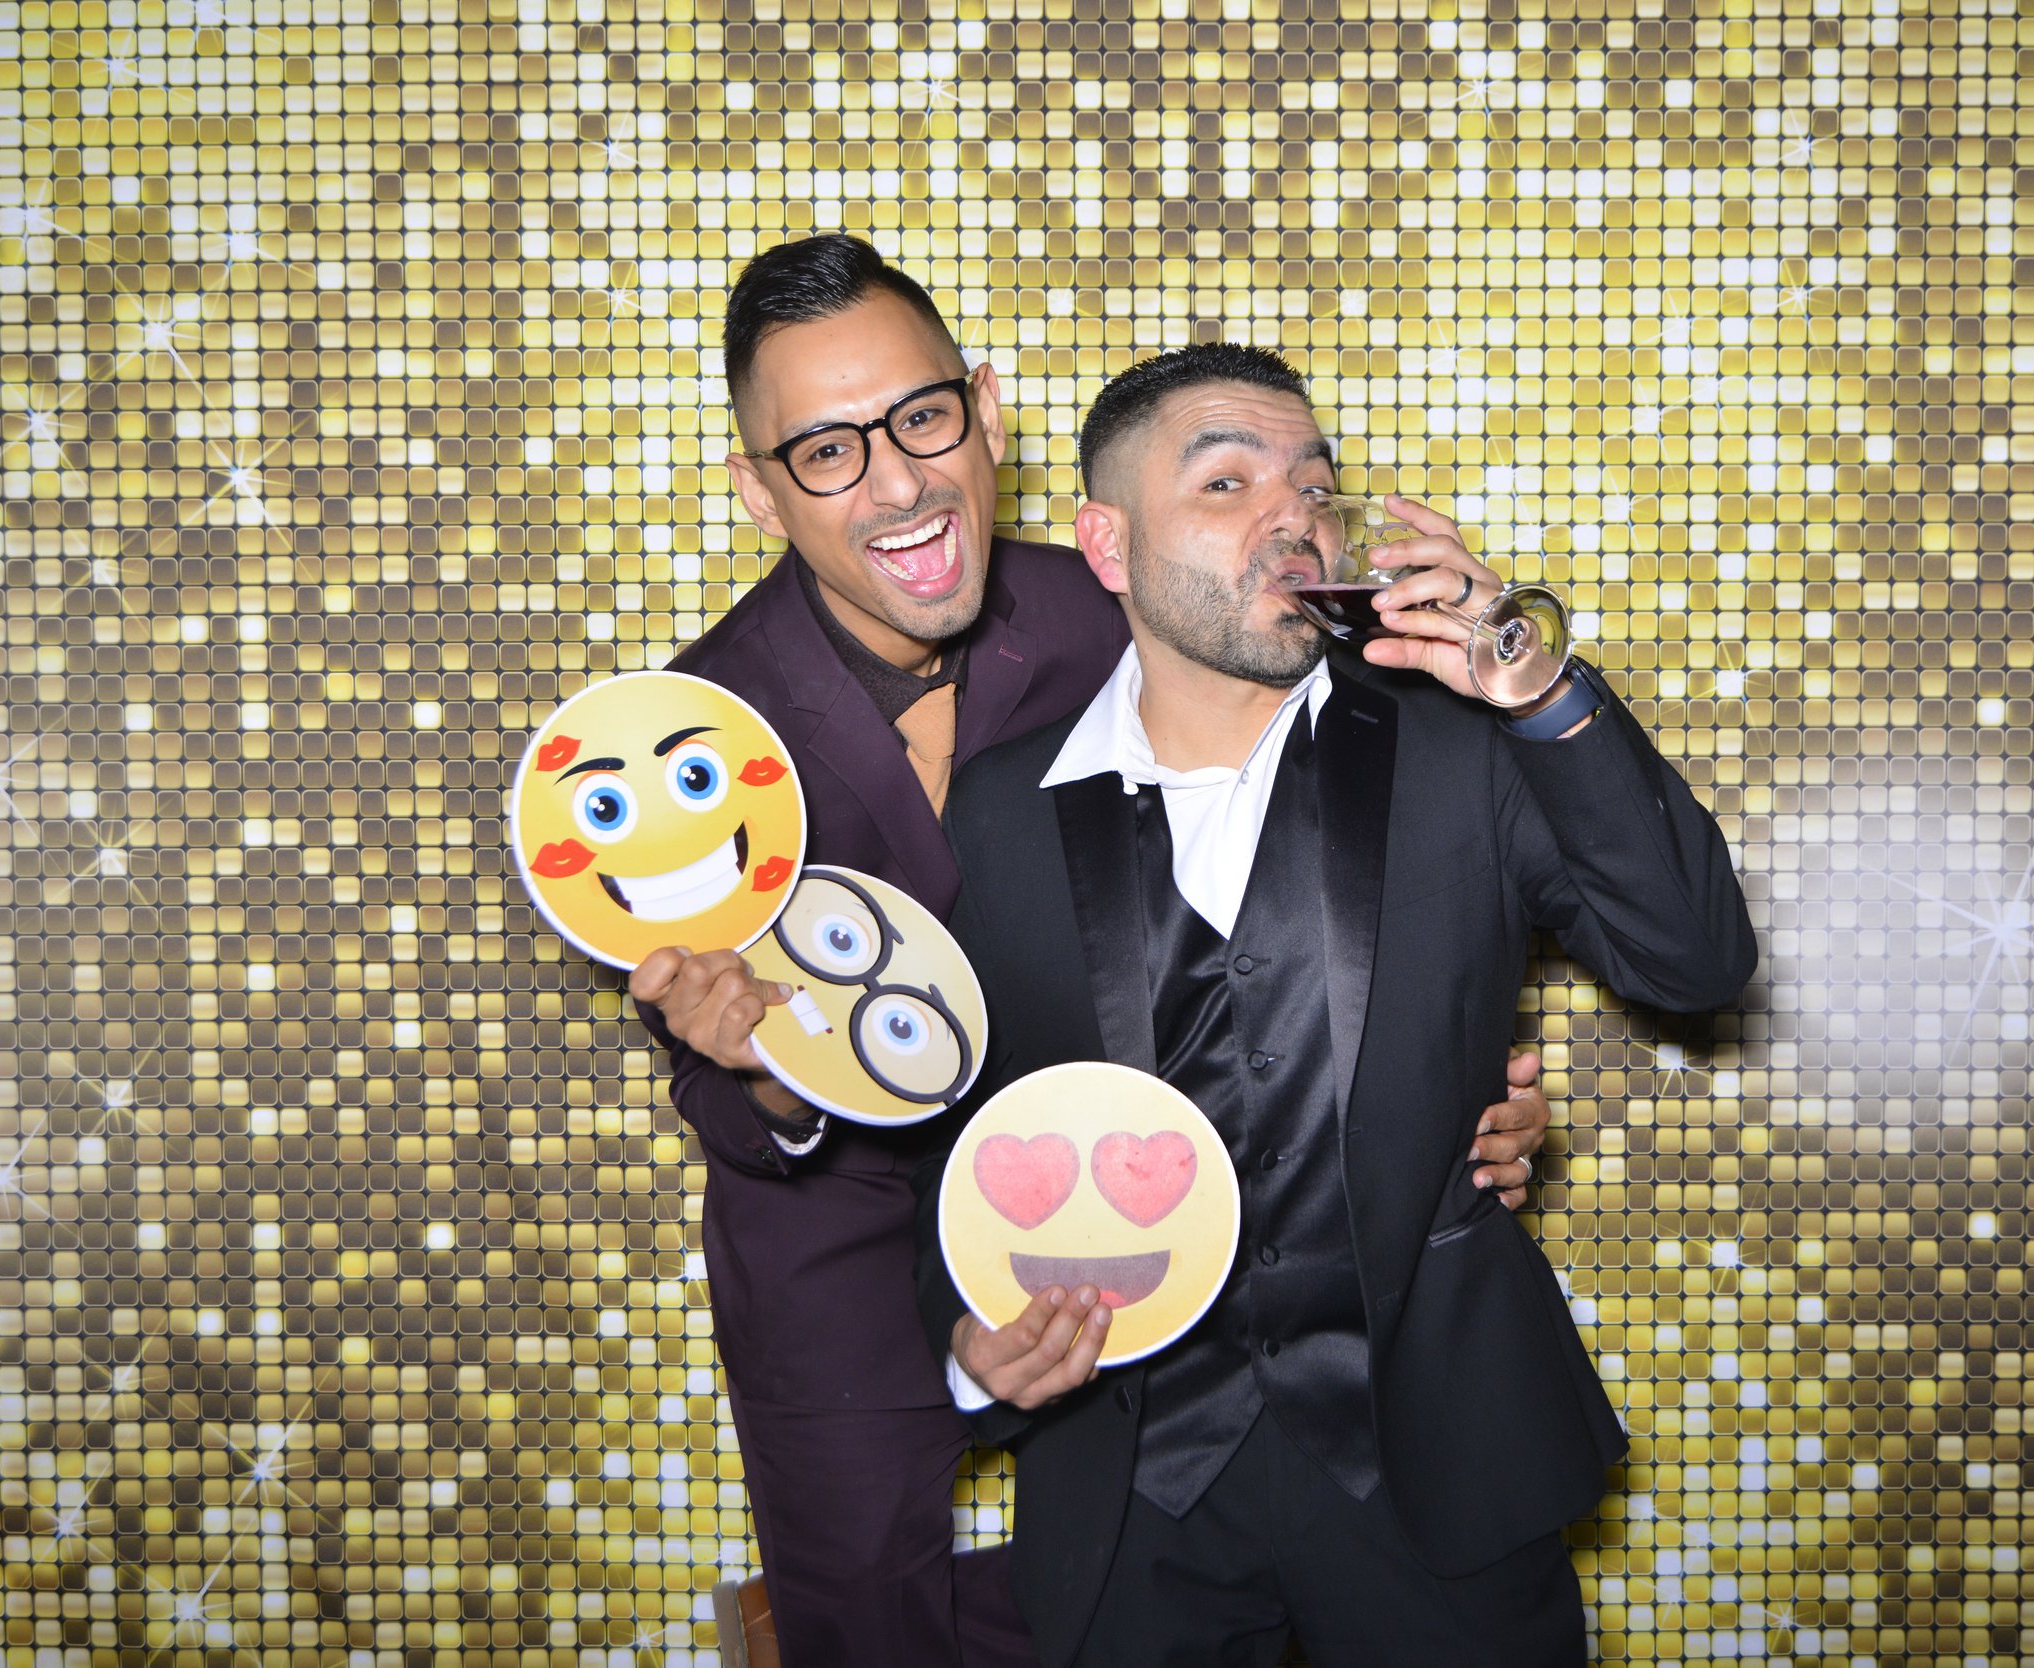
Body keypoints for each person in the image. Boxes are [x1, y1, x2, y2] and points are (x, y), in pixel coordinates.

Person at [621, 240, 1562, 1668]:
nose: (896, 481)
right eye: (824, 450)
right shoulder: (693, 734)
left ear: (982, 410)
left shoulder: (1113, 598)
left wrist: (1440, 1090)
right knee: (869, 1606)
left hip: (1109, 1184)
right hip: (839, 1224)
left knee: (1156, 1541)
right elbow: (724, 1100)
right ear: (759, 488)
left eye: (921, 418)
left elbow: (1360, 834)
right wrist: (760, 1066)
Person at [916, 343, 1758, 1667]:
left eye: (1314, 484)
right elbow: (951, 1143)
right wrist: (966, 1357)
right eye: (1227, 482)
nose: (1294, 517)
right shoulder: (995, 812)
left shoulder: (1462, 746)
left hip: (1437, 1479)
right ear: (1109, 544)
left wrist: (1537, 692)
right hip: (1135, 1495)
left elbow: (1697, 962)